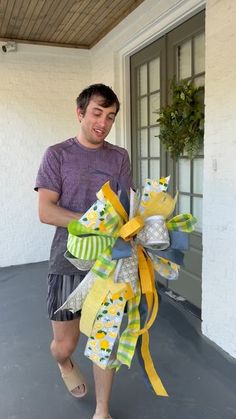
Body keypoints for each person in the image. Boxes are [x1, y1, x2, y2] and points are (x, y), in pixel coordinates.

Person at [35, 83, 133, 419]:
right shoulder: (57, 154)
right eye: (97, 113)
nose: (103, 122)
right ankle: (64, 364)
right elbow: (46, 210)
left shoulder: (119, 157)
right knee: (65, 345)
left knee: (105, 343)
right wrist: (90, 221)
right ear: (80, 113)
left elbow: (124, 207)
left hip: (109, 265)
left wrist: (134, 229)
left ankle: (102, 410)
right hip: (66, 262)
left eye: (111, 116)